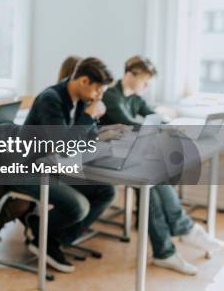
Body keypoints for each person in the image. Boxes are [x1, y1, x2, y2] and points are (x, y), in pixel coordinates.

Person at [101, 55, 224, 275]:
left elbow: (151, 115)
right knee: (155, 180)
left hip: (133, 157)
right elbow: (132, 126)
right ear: (130, 74)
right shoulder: (111, 96)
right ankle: (182, 232)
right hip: (110, 161)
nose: (147, 87)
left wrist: (170, 125)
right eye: (145, 81)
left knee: (154, 185)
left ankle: (166, 250)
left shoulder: (135, 97)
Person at [14, 57, 117, 273]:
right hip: (28, 170)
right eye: (98, 90)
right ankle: (42, 234)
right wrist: (89, 116)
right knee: (79, 206)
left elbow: (80, 141)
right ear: (84, 81)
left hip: (55, 167)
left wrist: (97, 128)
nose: (99, 96)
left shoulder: (79, 100)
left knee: (106, 190)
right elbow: (63, 146)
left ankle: (51, 239)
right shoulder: (50, 99)